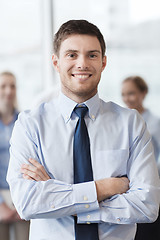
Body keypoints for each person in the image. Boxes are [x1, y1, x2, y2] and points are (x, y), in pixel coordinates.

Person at [7, 20, 160, 240]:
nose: (82, 63)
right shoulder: (30, 125)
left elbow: (147, 206)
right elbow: (28, 203)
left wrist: (56, 197)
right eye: (72, 55)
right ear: (55, 62)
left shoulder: (131, 123)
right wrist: (104, 188)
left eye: (92, 55)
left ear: (103, 62)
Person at [121, 75, 160, 239]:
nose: (126, 99)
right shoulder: (123, 122)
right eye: (123, 94)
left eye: (131, 93)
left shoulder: (155, 123)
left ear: (143, 93)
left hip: (150, 182)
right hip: (126, 186)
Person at [0, 71, 30, 240]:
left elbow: (30, 160)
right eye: (3, 86)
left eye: (12, 86)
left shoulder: (24, 121)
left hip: (21, 193)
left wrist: (25, 198)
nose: (8, 91)